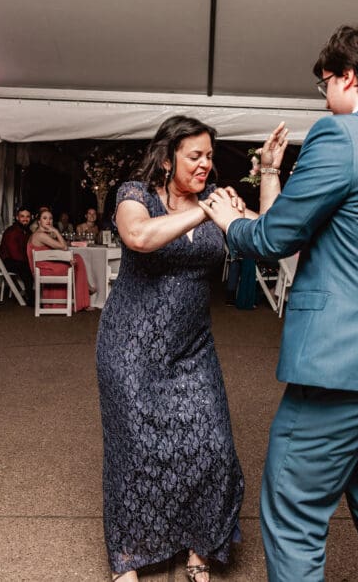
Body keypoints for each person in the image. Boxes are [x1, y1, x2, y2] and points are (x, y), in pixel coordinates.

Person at [202, 24, 358, 581]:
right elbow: (320, 230)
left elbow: (270, 241)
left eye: (325, 83)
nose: (325, 96)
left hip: (347, 365)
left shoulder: (339, 136)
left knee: (293, 512)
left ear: (349, 76)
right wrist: (271, 174)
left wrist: (229, 224)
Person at [95, 116, 245, 582]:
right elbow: (139, 237)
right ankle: (128, 561)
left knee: (214, 444)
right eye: (195, 156)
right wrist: (206, 210)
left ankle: (200, 547)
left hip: (192, 348)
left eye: (209, 157)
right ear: (167, 160)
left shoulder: (218, 202)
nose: (206, 165)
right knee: (136, 450)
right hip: (130, 347)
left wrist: (273, 175)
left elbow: (269, 236)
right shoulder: (134, 195)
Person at [26, 208, 92, 311]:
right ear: (39, 221)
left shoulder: (42, 234)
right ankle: (82, 301)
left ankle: (81, 298)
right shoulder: (40, 235)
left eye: (50, 218)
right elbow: (64, 247)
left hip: (45, 266)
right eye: (45, 218)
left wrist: (67, 259)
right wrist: (56, 231)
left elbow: (54, 252)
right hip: (45, 269)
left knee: (76, 258)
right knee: (77, 260)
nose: (48, 221)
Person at [0, 207, 33, 303]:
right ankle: (30, 298)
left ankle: (37, 294)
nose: (25, 219)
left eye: (27, 216)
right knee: (26, 267)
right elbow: (16, 255)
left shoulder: (26, 231)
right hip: (9, 261)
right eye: (22, 216)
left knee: (33, 265)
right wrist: (31, 262)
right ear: (17, 218)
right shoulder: (12, 232)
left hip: (19, 260)